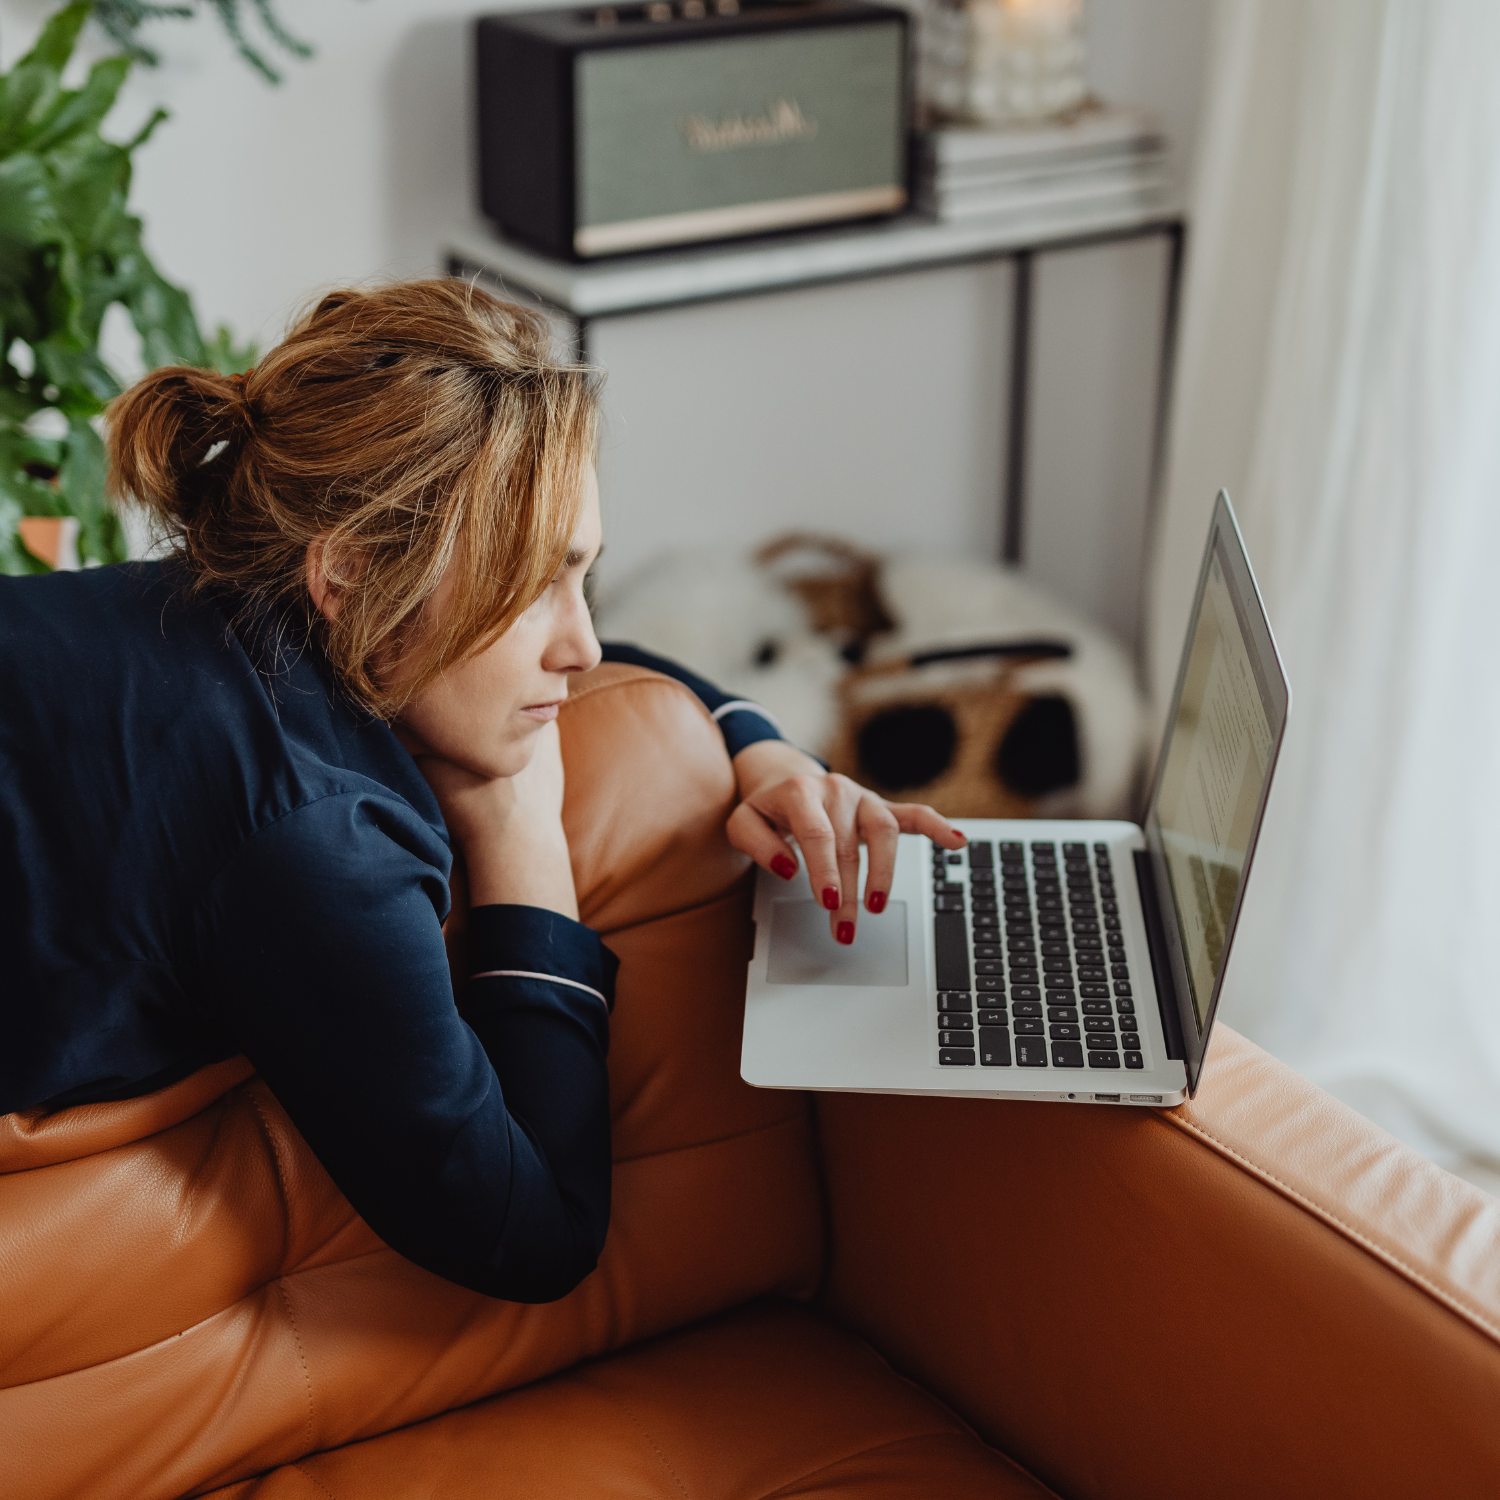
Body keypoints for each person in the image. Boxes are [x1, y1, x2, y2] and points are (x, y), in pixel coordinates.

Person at [0, 280, 962, 1302]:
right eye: (533, 584)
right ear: (355, 577)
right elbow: (532, 1233)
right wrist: (522, 836)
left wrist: (763, 749)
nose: (584, 645)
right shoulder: (311, 830)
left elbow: (569, 648)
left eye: (581, 575)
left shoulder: (228, 609)